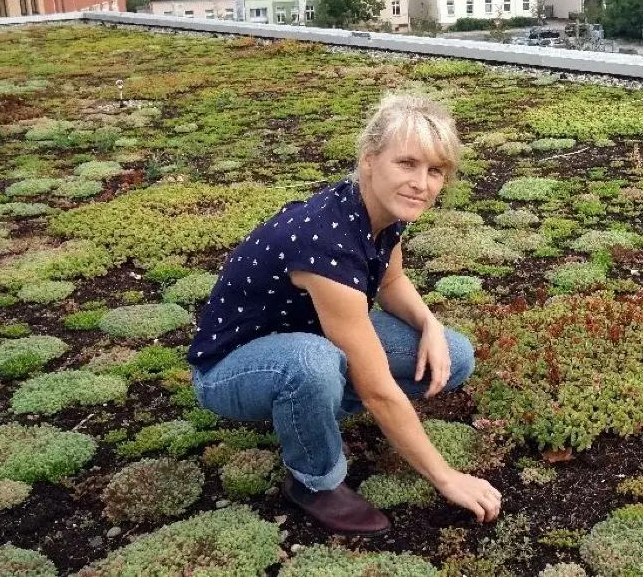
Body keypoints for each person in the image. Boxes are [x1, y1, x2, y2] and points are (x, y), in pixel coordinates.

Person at [186, 94, 501, 536]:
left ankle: (311, 411)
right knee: (313, 365)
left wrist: (430, 323)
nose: (422, 183)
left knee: (452, 353)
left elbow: (390, 282)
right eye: (407, 164)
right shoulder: (325, 239)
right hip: (232, 368)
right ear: (369, 160)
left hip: (308, 334)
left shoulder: (383, 211)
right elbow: (376, 392)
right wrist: (446, 478)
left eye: (435, 171)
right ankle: (315, 481)